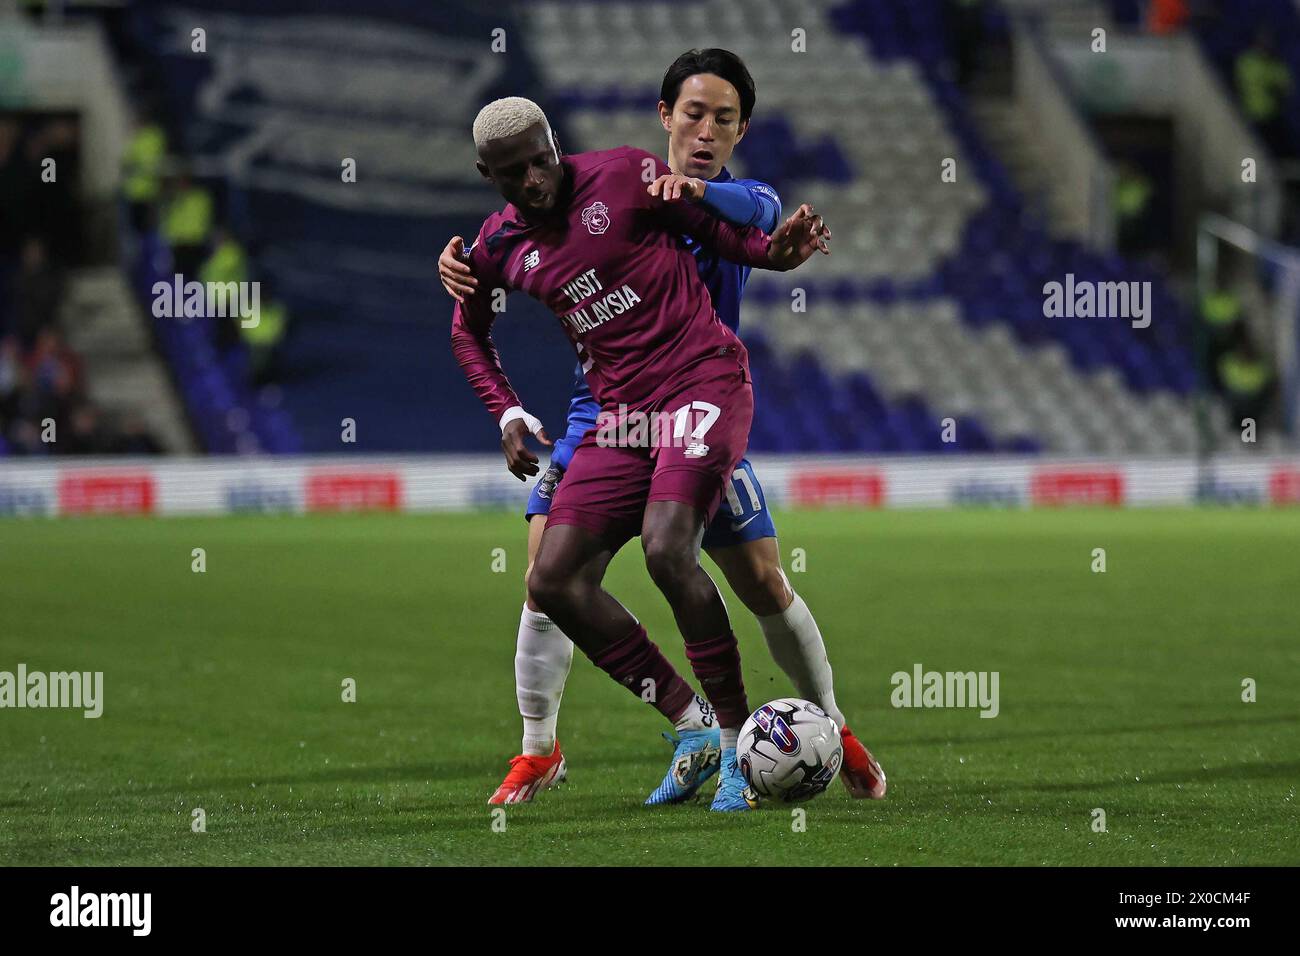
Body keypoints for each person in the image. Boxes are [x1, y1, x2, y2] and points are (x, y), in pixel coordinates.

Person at [440, 50, 886, 807]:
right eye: (693, 114)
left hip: (700, 392)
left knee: (750, 575)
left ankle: (819, 730)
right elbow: (470, 321)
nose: (706, 129)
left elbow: (761, 219)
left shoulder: (693, 190)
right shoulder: (579, 204)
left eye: (723, 118)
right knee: (546, 577)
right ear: (665, 116)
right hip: (606, 411)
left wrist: (755, 235)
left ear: (742, 128)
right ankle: (561, 746)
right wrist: (508, 407)